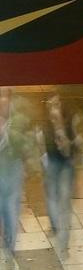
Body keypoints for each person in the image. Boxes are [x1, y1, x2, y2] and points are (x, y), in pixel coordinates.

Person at [37, 95, 83, 252]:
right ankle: (54, 225)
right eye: (51, 104)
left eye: (56, 104)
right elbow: (40, 143)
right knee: (52, 196)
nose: (54, 107)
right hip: (52, 163)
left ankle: (63, 240)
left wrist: (61, 129)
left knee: (64, 201)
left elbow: (72, 145)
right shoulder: (44, 125)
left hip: (66, 165)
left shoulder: (68, 121)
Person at [0, 88, 32, 257]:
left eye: (4, 96)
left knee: (10, 208)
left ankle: (10, 243)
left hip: (13, 170)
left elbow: (25, 144)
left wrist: (6, 133)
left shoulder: (19, 119)